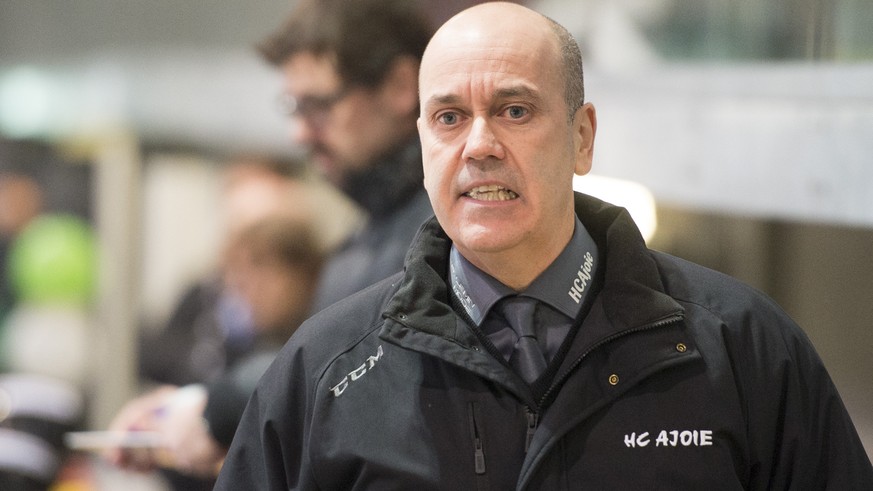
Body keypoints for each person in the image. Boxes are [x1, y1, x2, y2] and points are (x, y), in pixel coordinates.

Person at [215, 2, 873, 489]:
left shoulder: (741, 347)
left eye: (514, 110)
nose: (478, 145)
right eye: (449, 117)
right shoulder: (325, 370)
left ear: (581, 137)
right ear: (423, 145)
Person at [105, 214, 325, 480]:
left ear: (294, 272)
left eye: (252, 278)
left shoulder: (323, 338)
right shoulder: (264, 342)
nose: (246, 295)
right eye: (239, 283)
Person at [257, 0, 435, 314]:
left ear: (400, 86)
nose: (298, 135)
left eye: (317, 106)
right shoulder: (368, 240)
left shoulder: (453, 243)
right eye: (294, 108)